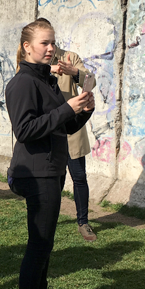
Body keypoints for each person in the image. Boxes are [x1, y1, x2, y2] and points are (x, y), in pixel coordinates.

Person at [5, 19, 94, 289]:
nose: (51, 48)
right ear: (27, 46)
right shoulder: (22, 83)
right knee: (38, 244)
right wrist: (66, 110)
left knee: (46, 238)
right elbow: (26, 130)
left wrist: (83, 110)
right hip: (35, 172)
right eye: (44, 43)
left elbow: (65, 125)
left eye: (53, 42)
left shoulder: (47, 79)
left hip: (53, 168)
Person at [47, 32, 98, 241]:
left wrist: (74, 71)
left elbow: (90, 82)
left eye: (51, 41)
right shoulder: (32, 63)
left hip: (72, 129)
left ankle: (83, 222)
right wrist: (49, 69)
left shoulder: (69, 57)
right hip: (48, 132)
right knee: (53, 181)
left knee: (79, 178)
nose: (49, 47)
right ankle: (49, 219)